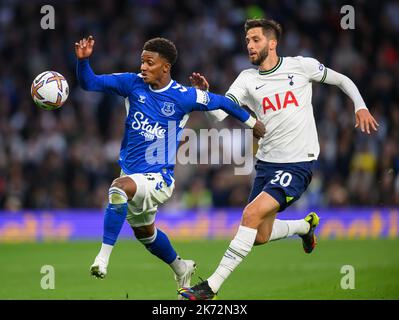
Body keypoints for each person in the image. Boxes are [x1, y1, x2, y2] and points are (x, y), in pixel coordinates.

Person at [179, 18, 379, 300]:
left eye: (256, 39)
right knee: (260, 235)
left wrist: (360, 106)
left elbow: (342, 79)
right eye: (247, 40)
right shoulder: (247, 79)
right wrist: (207, 96)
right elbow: (218, 116)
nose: (249, 45)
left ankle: (210, 287)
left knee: (249, 215)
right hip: (266, 164)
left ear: (272, 43)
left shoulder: (301, 66)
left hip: (298, 163)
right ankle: (304, 227)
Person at [74, 35, 265, 299]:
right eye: (142, 61)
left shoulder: (184, 97)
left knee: (117, 189)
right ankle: (181, 267)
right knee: (146, 234)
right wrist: (83, 62)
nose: (143, 67)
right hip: (131, 173)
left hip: (158, 178)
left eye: (149, 63)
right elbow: (89, 82)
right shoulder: (132, 84)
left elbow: (222, 102)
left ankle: (102, 258)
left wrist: (250, 122)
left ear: (165, 67)